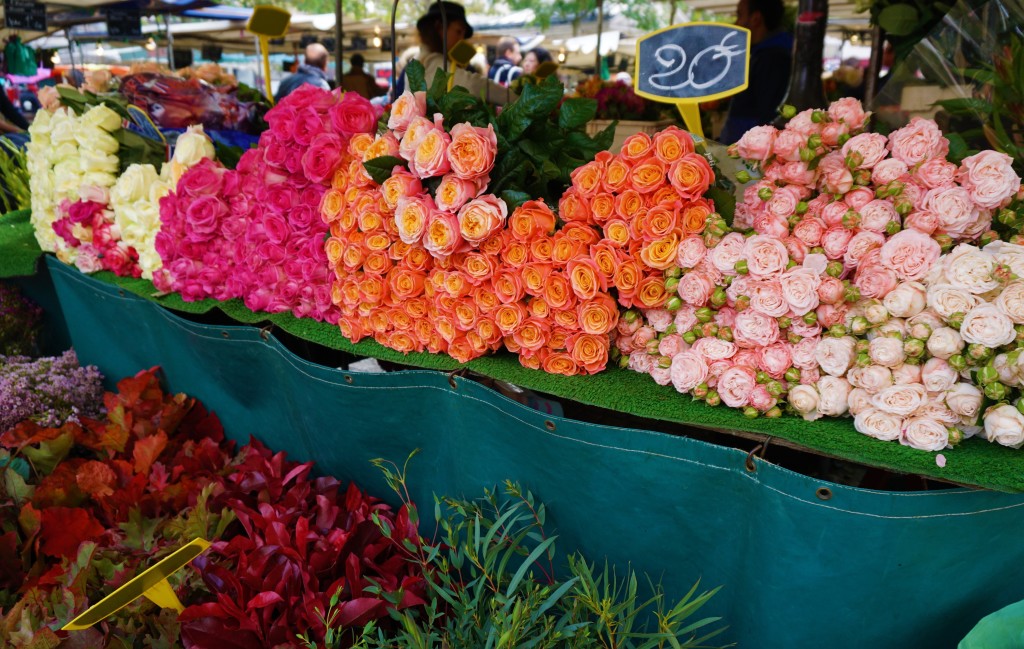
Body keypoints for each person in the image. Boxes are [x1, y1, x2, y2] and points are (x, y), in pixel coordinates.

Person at [719, 0, 793, 144]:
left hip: (747, 157)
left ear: (755, 19)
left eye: (740, 15)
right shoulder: (764, 53)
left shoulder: (773, 58)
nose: (736, 22)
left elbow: (768, 118)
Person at [415, 1, 475, 88]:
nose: (462, 40)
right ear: (439, 26)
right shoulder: (427, 63)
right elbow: (474, 84)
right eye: (458, 31)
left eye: (464, 35)